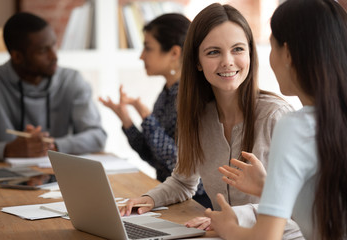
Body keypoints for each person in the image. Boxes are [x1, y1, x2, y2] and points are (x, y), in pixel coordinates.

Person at [119, 3, 303, 239]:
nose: (228, 61)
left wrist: (233, 217)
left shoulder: (276, 116)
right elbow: (184, 182)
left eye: (237, 49)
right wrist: (149, 199)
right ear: (196, 61)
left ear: (250, 53)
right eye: (213, 52)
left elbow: (298, 205)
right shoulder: (196, 116)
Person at [206, 0, 347, 239]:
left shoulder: (295, 125)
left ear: (288, 53)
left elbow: (265, 237)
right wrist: (268, 186)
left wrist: (226, 226)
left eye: (271, 47)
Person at [99, 13, 212, 208]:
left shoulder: (193, 98)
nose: (141, 56)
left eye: (148, 48)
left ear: (174, 53)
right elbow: (152, 156)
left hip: (195, 203)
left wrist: (146, 117)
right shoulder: (167, 93)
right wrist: (126, 120)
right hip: (168, 196)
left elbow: (177, 163)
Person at [0, 12, 107, 160]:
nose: (54, 56)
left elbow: (97, 136)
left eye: (54, 45)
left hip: (57, 178)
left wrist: (52, 146)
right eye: (43, 50)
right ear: (17, 57)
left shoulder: (71, 80)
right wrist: (7, 150)